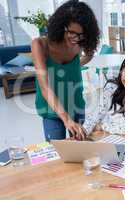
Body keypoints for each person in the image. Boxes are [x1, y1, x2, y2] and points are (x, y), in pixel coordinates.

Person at [32, 0, 100, 141]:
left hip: (76, 106)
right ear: (61, 25)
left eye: (81, 35)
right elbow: (44, 87)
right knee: (57, 154)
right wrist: (66, 119)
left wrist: (74, 66)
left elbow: (90, 53)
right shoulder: (40, 45)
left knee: (81, 151)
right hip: (52, 111)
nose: (75, 39)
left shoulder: (79, 44)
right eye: (72, 33)